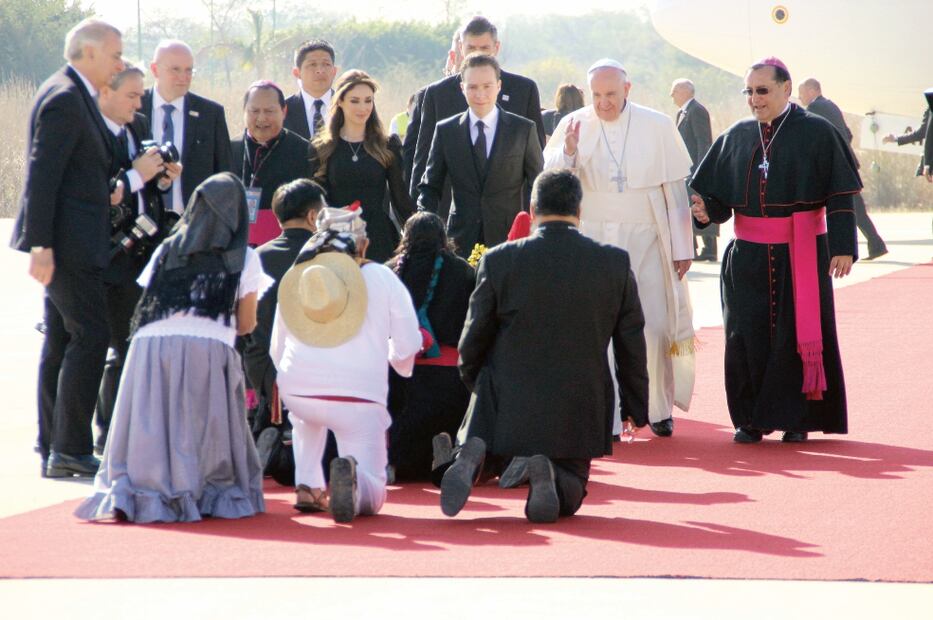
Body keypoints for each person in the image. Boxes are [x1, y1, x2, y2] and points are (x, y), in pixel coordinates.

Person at [439, 169, 649, 523]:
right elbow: (632, 342)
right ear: (579, 212)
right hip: (579, 399)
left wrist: (480, 387)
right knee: (574, 485)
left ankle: (473, 451)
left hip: (509, 396)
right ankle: (552, 474)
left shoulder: (500, 260)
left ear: (532, 208)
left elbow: (472, 341)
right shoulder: (613, 263)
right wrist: (635, 406)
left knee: (493, 389)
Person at [76, 172, 273, 522]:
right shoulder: (244, 258)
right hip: (207, 348)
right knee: (203, 424)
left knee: (155, 423)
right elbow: (245, 324)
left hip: (148, 348)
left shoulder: (168, 249)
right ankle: (198, 489)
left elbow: (149, 297)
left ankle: (146, 487)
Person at [690, 57, 860, 444]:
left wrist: (843, 246)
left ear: (786, 88)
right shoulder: (736, 135)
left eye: (762, 90)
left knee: (794, 335)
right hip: (746, 255)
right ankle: (750, 419)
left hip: (800, 251)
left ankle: (796, 417)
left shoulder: (817, 132)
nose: (754, 99)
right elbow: (716, 199)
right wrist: (704, 213)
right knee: (744, 336)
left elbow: (840, 193)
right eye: (748, 91)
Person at [543, 58, 696, 438]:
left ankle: (657, 409)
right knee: (598, 328)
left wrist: (683, 246)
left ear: (627, 90)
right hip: (593, 236)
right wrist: (571, 152)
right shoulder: (573, 124)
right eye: (596, 95)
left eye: (611, 95)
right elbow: (554, 181)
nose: (603, 103)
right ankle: (606, 417)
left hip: (648, 236)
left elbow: (675, 192)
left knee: (656, 325)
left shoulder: (657, 124)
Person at [10, 19, 125, 478]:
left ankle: (53, 445)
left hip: (73, 242)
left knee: (60, 340)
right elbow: (43, 174)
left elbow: (76, 171)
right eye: (115, 55)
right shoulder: (65, 97)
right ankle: (72, 448)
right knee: (91, 336)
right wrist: (41, 243)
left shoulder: (73, 93)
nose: (119, 64)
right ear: (90, 52)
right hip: (68, 247)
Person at [270, 206, 422, 523]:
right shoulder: (382, 277)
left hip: (298, 391)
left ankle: (308, 484)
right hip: (358, 397)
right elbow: (407, 343)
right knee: (374, 492)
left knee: (304, 418)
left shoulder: (298, 277)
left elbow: (277, 348)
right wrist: (394, 357)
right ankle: (353, 483)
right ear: (362, 244)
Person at [94, 62, 182, 454]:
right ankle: (108, 433)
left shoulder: (137, 125)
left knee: (138, 344)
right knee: (119, 346)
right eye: (132, 94)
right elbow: (106, 187)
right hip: (112, 252)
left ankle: (134, 431)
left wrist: (162, 178)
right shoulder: (98, 131)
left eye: (140, 95)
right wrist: (135, 173)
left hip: (145, 249)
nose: (138, 102)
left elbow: (147, 186)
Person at [241, 178, 330, 484]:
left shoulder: (257, 256)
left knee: (274, 407)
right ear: (313, 217)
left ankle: (266, 430)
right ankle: (281, 447)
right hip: (313, 367)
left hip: (261, 365)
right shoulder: (325, 257)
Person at [408, 16, 546, 203]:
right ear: (461, 49)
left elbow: (536, 161)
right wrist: (419, 216)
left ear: (496, 48)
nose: (477, 54)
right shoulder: (437, 94)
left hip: (509, 212)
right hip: (451, 213)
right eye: (471, 48)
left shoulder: (523, 90)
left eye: (484, 48)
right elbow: (422, 159)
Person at [418, 54, 544, 256]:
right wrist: (426, 226)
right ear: (462, 88)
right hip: (459, 240)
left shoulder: (523, 129)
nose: (480, 94)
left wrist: (532, 227)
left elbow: (537, 184)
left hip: (510, 240)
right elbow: (430, 185)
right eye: (473, 87)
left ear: (499, 86)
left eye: (487, 86)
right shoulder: (446, 130)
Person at [385, 212, 475, 481]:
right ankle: (444, 453)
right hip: (448, 380)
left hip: (400, 375)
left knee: (404, 445)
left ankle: (394, 462)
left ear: (405, 238)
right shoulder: (463, 271)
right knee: (447, 422)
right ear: (443, 238)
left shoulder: (389, 271)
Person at [309, 70, 415, 264]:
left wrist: (420, 227)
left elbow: (400, 198)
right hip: (336, 237)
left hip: (378, 238)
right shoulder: (323, 147)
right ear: (339, 101)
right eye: (355, 100)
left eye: (368, 100)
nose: (363, 107)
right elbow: (317, 199)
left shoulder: (387, 145)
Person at [799, 78, 888, 259]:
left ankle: (870, 245)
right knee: (856, 208)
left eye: (801, 94)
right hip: (847, 164)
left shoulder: (815, 109)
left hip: (838, 168)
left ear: (811, 90)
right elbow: (847, 134)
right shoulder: (831, 105)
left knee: (850, 209)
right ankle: (876, 244)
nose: (800, 98)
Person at [142, 40, 233, 214]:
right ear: (155, 70)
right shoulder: (134, 107)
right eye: (175, 69)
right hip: (141, 224)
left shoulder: (210, 114)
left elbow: (225, 175)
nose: (183, 77)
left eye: (189, 70)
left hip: (194, 225)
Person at [231, 80, 313, 246]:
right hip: (238, 246)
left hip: (286, 247)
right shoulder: (229, 149)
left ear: (284, 111)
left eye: (269, 111)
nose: (261, 118)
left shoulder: (305, 151)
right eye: (254, 111)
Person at [670, 78, 716, 261]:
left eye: (674, 91)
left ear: (685, 91)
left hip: (695, 170)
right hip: (686, 170)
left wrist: (700, 170)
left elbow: (703, 142)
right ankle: (695, 247)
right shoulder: (683, 112)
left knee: (697, 205)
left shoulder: (696, 111)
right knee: (689, 207)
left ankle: (708, 248)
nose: (672, 96)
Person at [284, 40, 338, 140]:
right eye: (312, 64)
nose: (320, 70)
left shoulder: (348, 105)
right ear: (297, 72)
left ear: (334, 71)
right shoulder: (283, 110)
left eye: (326, 64)